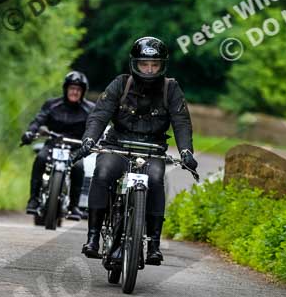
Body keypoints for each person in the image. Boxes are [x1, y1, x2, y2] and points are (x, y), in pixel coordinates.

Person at [75, 37, 197, 264]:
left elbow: (181, 122)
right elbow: (100, 114)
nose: (149, 70)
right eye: (144, 64)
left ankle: (153, 244)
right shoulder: (120, 84)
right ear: (135, 64)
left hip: (152, 149)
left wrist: (186, 152)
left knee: (156, 178)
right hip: (117, 146)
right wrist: (89, 139)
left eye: (154, 65)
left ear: (162, 65)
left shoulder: (171, 88)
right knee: (103, 173)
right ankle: (92, 238)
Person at [21, 71, 94, 220]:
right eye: (72, 88)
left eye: (78, 89)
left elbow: (94, 127)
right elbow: (38, 120)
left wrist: (92, 141)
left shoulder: (90, 109)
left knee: (79, 167)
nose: (74, 92)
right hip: (53, 143)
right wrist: (30, 132)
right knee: (40, 158)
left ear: (83, 92)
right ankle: (33, 199)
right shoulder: (52, 104)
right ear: (66, 89)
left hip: (75, 146)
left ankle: (74, 206)